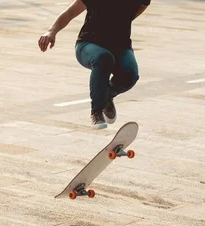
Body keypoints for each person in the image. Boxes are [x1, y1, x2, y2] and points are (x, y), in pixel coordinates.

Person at [38, 0, 150, 129]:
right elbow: (70, 12)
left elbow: (142, 6)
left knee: (130, 75)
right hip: (89, 44)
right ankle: (96, 111)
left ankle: (107, 96)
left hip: (121, 46)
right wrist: (51, 31)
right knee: (104, 58)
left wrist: (123, 19)